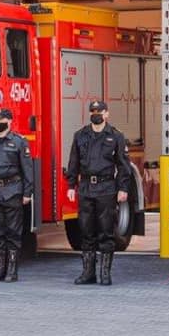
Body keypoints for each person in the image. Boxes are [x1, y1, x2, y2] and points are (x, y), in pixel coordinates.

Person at [65, 100, 132, 286]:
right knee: (86, 231)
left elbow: (123, 165)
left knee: (106, 231)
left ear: (106, 114)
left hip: (106, 188)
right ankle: (88, 273)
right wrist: (71, 186)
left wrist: (123, 188)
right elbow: (73, 162)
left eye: (100, 111)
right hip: (86, 187)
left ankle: (104, 274)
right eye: (93, 111)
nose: (96, 114)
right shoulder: (80, 136)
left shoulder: (115, 136)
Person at [0, 108, 34, 282]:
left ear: (9, 121)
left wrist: (27, 192)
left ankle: (12, 270)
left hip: (12, 191)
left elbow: (28, 170)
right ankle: (0, 268)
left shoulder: (19, 142)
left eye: (1, 119)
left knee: (13, 232)